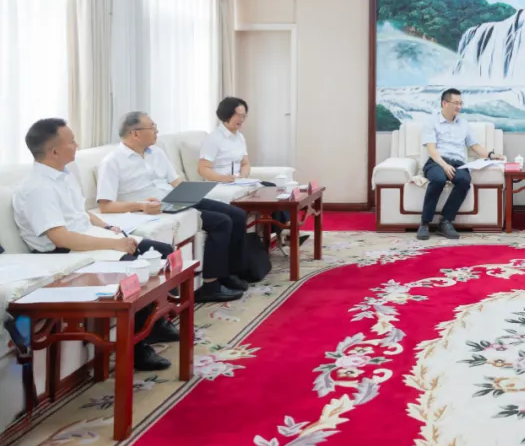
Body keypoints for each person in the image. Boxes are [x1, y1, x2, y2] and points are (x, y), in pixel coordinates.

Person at [13, 119, 177, 371]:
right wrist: (114, 245)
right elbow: (61, 237)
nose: (77, 145)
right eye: (72, 142)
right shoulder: (37, 188)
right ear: (54, 151)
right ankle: (136, 349)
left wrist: (108, 228)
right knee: (139, 269)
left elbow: (80, 213)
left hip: (89, 237)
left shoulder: (63, 174)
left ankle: (153, 325)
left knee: (163, 252)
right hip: (67, 251)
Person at [97, 111, 246, 303]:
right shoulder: (112, 162)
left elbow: (175, 181)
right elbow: (105, 206)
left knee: (237, 214)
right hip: (155, 208)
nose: (156, 131)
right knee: (221, 222)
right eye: (152, 127)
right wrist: (140, 205)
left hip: (175, 198)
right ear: (135, 133)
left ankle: (228, 273)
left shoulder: (157, 152)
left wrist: (191, 192)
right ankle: (211, 286)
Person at [199, 97, 307, 249]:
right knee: (268, 190)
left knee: (272, 188)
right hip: (220, 184)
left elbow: (245, 163)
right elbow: (202, 169)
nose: (242, 120)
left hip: (237, 182)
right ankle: (285, 230)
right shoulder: (213, 139)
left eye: (244, 116)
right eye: (239, 115)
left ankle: (284, 228)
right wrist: (223, 178)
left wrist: (243, 176)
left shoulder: (239, 137)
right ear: (227, 114)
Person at [418, 88, 505, 241]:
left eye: (461, 103)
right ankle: (424, 223)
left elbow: (474, 146)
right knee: (438, 179)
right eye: (456, 103)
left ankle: (445, 221)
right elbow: (432, 150)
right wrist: (444, 165)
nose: (459, 107)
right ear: (444, 103)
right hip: (437, 162)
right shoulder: (432, 122)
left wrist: (491, 155)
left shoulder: (464, 124)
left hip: (458, 164)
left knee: (464, 180)